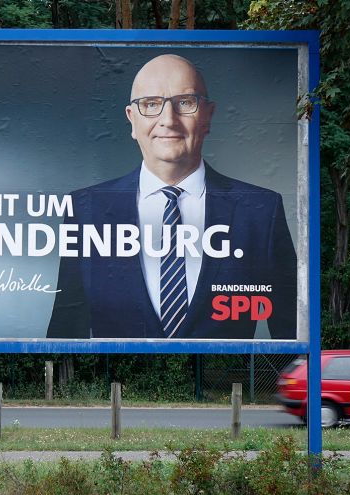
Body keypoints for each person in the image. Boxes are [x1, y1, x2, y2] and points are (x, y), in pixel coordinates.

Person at [46, 54, 296, 339]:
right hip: (114, 383)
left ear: (208, 116)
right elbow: (64, 336)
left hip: (225, 383)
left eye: (185, 103)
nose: (168, 120)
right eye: (151, 104)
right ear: (131, 119)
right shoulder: (85, 210)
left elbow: (292, 336)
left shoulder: (261, 211)